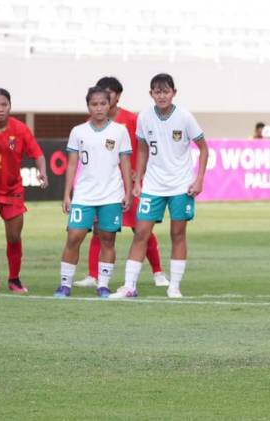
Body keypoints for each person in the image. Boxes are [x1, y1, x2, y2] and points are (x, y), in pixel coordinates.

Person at [109, 73, 209, 299]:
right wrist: (137, 181)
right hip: (152, 186)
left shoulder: (185, 117)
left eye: (166, 91)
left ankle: (174, 286)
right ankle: (129, 286)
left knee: (177, 234)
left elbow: (204, 148)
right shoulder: (144, 116)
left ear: (174, 93)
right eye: (157, 92)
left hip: (181, 186)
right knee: (140, 233)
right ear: (151, 94)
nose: (162, 96)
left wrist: (199, 179)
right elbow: (142, 149)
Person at [73, 76, 169, 289]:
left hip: (130, 183)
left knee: (141, 228)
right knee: (99, 230)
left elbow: (146, 146)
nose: (104, 98)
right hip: (104, 187)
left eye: (109, 93)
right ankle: (93, 275)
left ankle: (158, 272)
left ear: (117, 96)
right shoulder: (90, 124)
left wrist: (141, 173)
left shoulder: (132, 120)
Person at [54, 86, 133, 298]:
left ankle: (103, 285)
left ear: (110, 104)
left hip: (112, 195)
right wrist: (67, 194)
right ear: (88, 105)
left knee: (108, 239)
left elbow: (125, 163)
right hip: (84, 195)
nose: (99, 108)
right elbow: (72, 164)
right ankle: (64, 285)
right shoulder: (78, 131)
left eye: (103, 104)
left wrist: (128, 192)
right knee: (74, 237)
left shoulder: (120, 131)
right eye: (94, 104)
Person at [0, 88, 48, 295]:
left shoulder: (20, 130)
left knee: (14, 237)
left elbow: (38, 155)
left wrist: (43, 173)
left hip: (12, 189)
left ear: (10, 106)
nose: (1, 109)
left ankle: (14, 279)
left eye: (4, 105)